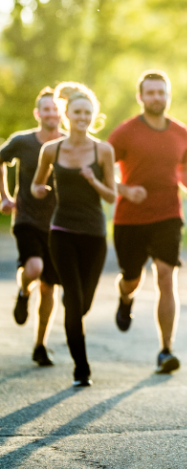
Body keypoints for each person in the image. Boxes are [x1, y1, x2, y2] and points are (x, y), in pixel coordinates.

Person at [108, 70, 187, 374]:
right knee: (133, 278)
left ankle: (166, 350)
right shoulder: (124, 133)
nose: (156, 97)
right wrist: (124, 189)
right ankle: (125, 296)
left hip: (167, 215)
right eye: (150, 93)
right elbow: (102, 170)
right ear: (141, 97)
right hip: (130, 218)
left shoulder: (180, 132)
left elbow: (186, 165)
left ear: (168, 95)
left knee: (165, 276)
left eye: (161, 92)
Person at [31, 82, 116, 387]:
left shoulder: (103, 150)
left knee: (82, 304)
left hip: (94, 235)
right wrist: (39, 190)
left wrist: (94, 181)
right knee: (73, 304)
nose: (82, 116)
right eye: (77, 112)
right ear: (66, 114)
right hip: (62, 232)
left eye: (87, 112)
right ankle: (82, 368)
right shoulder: (51, 150)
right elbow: (36, 186)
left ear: (93, 116)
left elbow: (111, 197)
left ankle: (74, 309)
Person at [0, 88, 62, 367]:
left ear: (62, 113)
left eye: (55, 109)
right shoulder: (22, 142)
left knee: (49, 289)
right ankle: (24, 291)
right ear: (38, 114)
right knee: (34, 269)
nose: (51, 114)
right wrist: (3, 196)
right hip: (26, 218)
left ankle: (40, 344)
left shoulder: (69, 143)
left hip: (59, 224)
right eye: (45, 109)